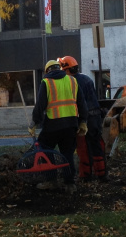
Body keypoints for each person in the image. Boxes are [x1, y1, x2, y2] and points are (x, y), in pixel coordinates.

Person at [29, 58, 87, 192]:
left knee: (45, 148)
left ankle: (51, 180)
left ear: (47, 71)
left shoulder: (46, 82)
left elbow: (40, 105)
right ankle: (70, 184)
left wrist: (34, 122)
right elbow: (81, 102)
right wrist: (83, 121)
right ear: (59, 68)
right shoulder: (72, 80)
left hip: (53, 124)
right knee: (67, 153)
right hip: (71, 125)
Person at [58, 56, 107, 182]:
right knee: (96, 144)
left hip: (83, 118)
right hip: (95, 116)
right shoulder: (86, 78)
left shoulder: (71, 82)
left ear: (66, 69)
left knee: (83, 146)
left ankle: (85, 175)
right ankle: (102, 174)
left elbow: (77, 102)